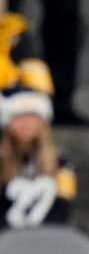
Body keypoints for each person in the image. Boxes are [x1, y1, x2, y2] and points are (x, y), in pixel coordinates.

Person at [0, 87, 74, 230]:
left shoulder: (62, 162)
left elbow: (63, 207)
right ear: (7, 121)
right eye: (19, 117)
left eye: (32, 116)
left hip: (47, 240)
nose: (26, 123)